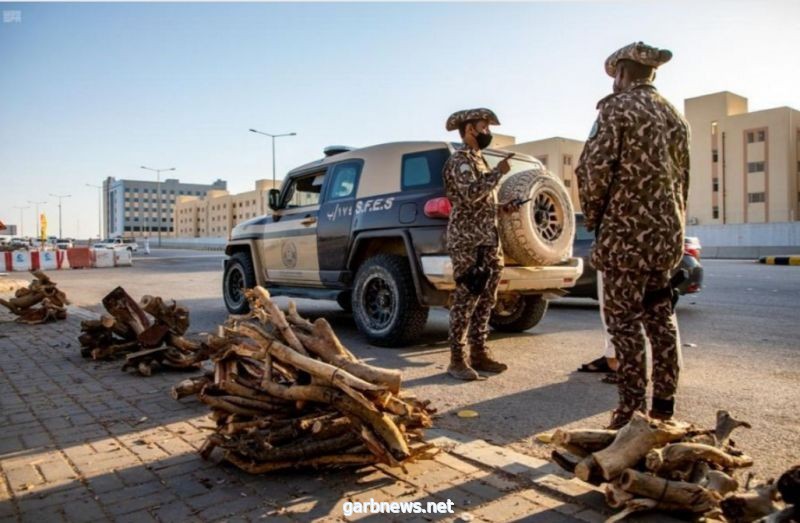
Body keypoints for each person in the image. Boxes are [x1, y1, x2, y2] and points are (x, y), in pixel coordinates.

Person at [575, 42, 690, 429]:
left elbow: (593, 170)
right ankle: (664, 407)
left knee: (623, 323)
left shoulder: (616, 109)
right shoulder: (675, 116)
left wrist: (596, 218)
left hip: (626, 236)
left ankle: (630, 413)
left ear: (623, 73)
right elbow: (683, 181)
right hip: (666, 237)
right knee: (662, 318)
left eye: (616, 76)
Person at [442, 108, 520, 381]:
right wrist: (497, 173)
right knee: (466, 299)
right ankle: (456, 359)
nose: (488, 132)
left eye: (488, 127)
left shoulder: (480, 161)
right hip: (468, 243)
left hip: (489, 240)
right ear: (469, 130)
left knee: (487, 300)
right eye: (483, 127)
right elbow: (468, 196)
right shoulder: (460, 162)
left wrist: (502, 208)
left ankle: (479, 352)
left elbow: (483, 203)